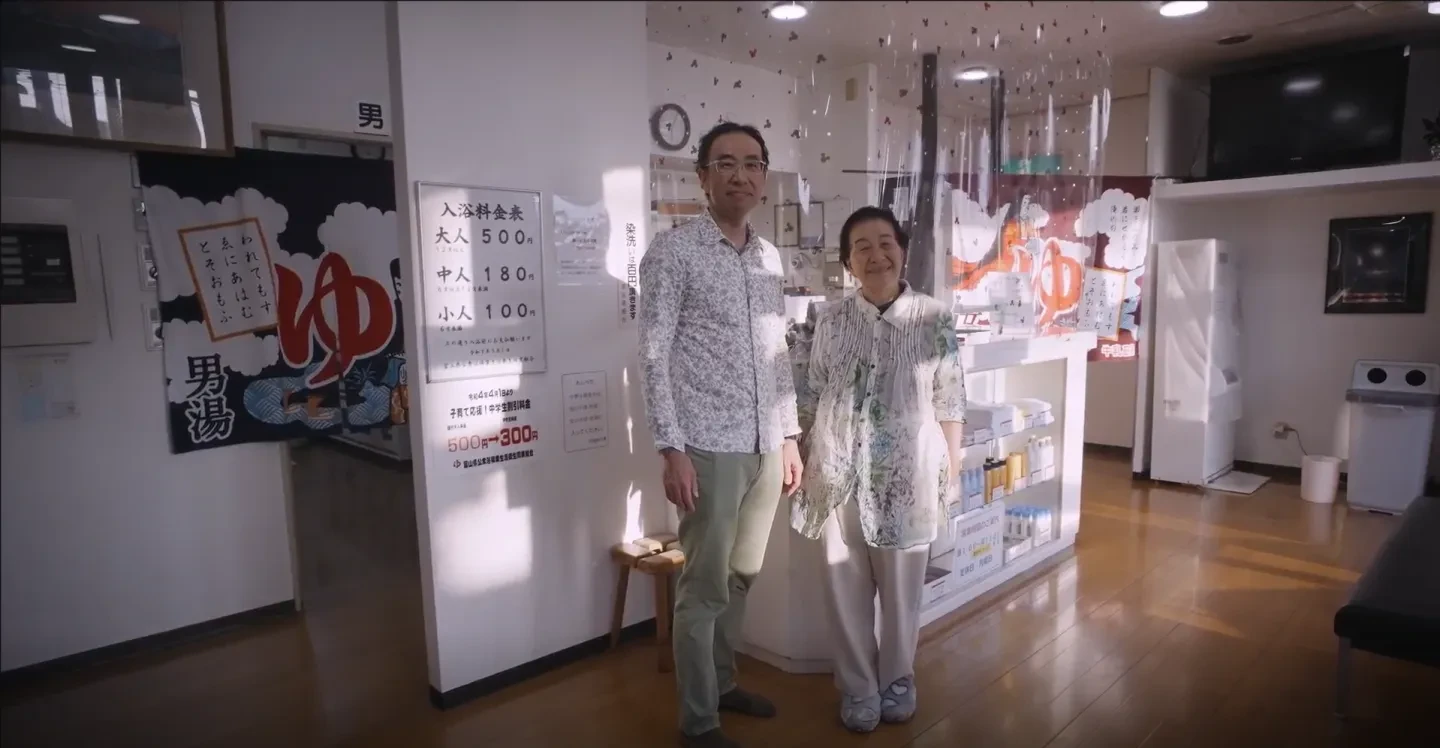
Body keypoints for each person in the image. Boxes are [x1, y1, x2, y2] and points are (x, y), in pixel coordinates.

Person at [639, 121, 805, 748]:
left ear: (764, 175)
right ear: (701, 175)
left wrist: (788, 436)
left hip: (765, 444)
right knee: (703, 589)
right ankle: (698, 721)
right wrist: (671, 447)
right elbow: (653, 355)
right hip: (706, 445)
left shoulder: (768, 256)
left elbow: (777, 351)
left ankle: (724, 684)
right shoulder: (673, 251)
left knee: (741, 578)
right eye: (725, 163)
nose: (740, 174)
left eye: (752, 163)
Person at [791, 207, 966, 733]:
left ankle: (898, 679)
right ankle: (858, 687)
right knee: (845, 589)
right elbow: (810, 393)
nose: (875, 254)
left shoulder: (935, 318)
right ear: (847, 262)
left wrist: (950, 475)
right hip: (837, 471)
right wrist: (799, 454)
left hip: (907, 479)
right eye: (861, 246)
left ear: (902, 251)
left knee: (901, 591)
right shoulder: (829, 320)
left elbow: (950, 401)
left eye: (885, 242)